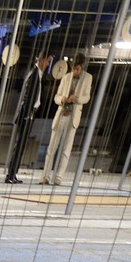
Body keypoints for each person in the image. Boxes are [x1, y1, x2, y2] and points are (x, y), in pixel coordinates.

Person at [40, 54, 93, 186]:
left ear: (82, 68)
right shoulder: (65, 77)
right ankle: (45, 176)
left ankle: (59, 177)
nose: (76, 71)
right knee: (52, 147)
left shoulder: (88, 78)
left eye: (78, 69)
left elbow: (87, 97)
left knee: (66, 149)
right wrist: (63, 99)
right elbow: (56, 97)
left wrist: (77, 99)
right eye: (74, 69)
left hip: (73, 117)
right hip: (61, 114)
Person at [5, 53, 50, 185]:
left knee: (20, 145)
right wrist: (27, 114)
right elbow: (27, 97)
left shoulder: (36, 74)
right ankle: (11, 174)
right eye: (47, 61)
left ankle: (13, 173)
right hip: (27, 115)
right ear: (42, 60)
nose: (48, 64)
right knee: (19, 146)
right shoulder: (34, 74)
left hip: (29, 114)